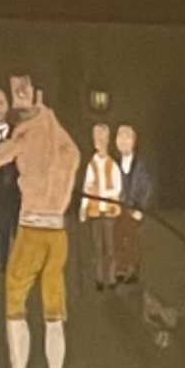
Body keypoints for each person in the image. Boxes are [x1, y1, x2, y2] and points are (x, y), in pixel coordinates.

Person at [0, 68, 77, 368]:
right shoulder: (62, 139)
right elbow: (70, 157)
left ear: (35, 96)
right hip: (57, 233)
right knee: (53, 309)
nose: (16, 100)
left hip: (33, 230)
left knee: (16, 305)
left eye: (21, 93)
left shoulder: (27, 134)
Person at [80, 119, 119, 289]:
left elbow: (117, 188)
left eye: (101, 137)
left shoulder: (113, 165)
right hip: (95, 212)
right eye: (96, 137)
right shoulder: (92, 165)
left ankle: (111, 278)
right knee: (97, 247)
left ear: (107, 140)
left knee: (110, 247)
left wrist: (102, 193)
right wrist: (83, 208)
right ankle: (99, 278)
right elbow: (86, 188)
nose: (98, 141)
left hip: (109, 211)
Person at [108, 120, 146, 289]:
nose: (123, 141)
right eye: (120, 137)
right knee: (117, 238)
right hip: (117, 209)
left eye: (127, 137)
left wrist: (140, 208)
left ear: (134, 141)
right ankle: (120, 269)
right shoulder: (113, 164)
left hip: (134, 209)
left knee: (133, 240)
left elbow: (146, 187)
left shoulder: (140, 165)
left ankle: (133, 270)